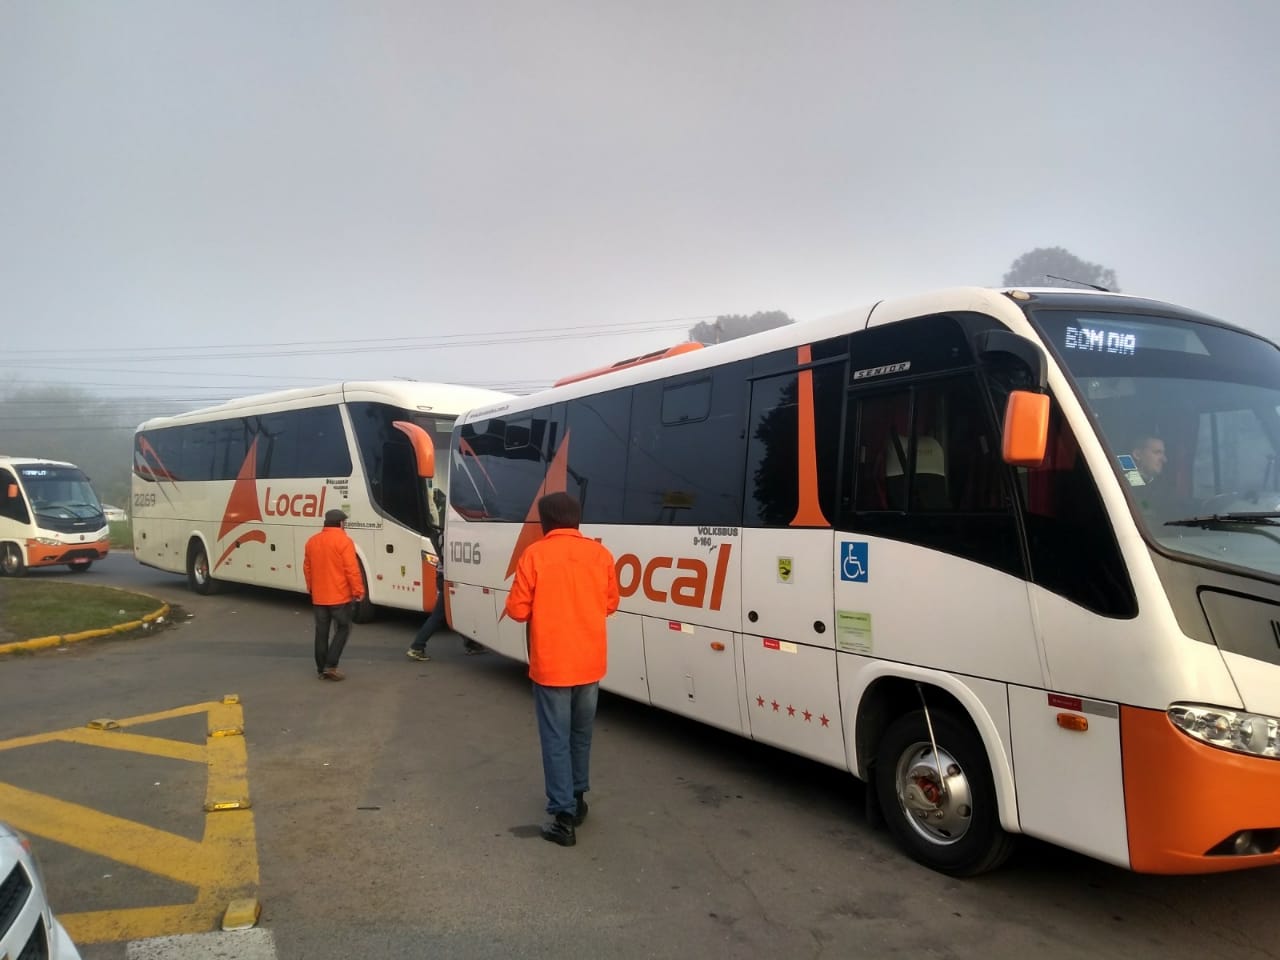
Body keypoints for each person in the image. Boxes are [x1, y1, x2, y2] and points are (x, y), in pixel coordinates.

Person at [503, 492, 619, 847]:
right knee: (580, 735)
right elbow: (610, 604)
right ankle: (578, 800)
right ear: (576, 519)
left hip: (552, 665)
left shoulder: (534, 555)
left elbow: (517, 610)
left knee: (556, 739)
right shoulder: (600, 554)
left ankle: (563, 818)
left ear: (545, 522)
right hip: (590, 663)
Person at [303, 508, 365, 681]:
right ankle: (331, 665)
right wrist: (358, 591)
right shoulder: (344, 541)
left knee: (321, 632)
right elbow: (351, 570)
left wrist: (311, 588)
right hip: (339, 596)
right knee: (344, 628)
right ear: (340, 523)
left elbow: (307, 568)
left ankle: (321, 669)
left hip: (319, 597)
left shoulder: (312, 541)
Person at [406, 561, 486, 660]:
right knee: (438, 616)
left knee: (456, 613)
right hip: (449, 576)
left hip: (444, 575)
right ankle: (417, 647)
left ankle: (471, 644)